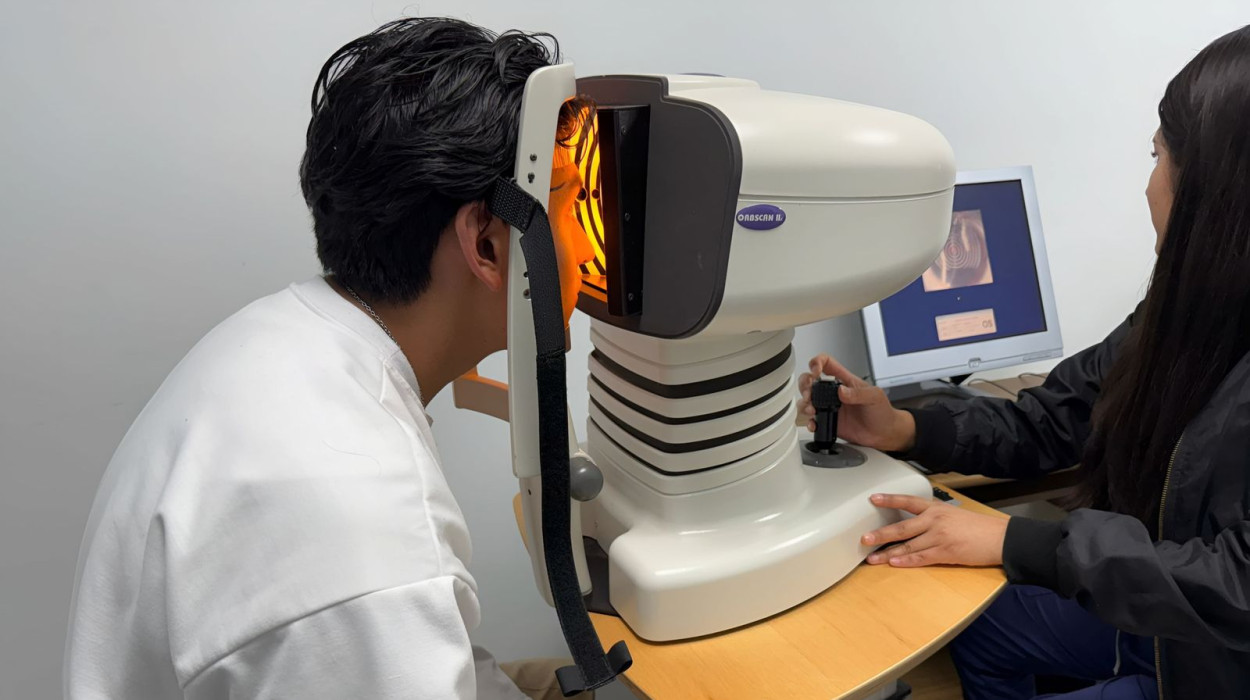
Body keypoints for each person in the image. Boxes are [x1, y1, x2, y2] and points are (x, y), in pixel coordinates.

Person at [64, 17, 595, 700]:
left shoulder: (275, 339)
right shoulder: (364, 527)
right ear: (488, 245)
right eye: (573, 207)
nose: (589, 241)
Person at [799, 25, 1250, 700]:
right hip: (1166, 627)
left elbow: (1237, 581)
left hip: (1218, 664)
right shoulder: (1189, 310)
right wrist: (908, 430)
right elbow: (1057, 417)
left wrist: (1019, 543)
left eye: (1158, 156)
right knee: (981, 628)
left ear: (1214, 188)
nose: (1149, 184)